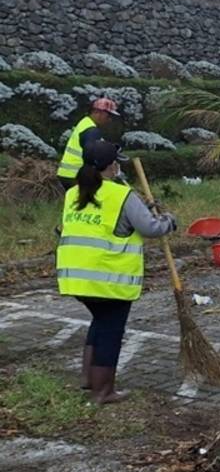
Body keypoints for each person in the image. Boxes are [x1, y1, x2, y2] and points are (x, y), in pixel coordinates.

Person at [56, 140, 175, 404]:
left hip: (75, 277)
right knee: (111, 330)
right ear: (111, 166)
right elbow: (150, 228)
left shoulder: (73, 193)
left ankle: (89, 379)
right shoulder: (121, 195)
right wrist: (169, 220)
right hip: (109, 279)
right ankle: (103, 391)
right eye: (116, 162)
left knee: (100, 322)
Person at [58, 97, 121, 189]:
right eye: (108, 116)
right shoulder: (91, 130)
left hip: (68, 173)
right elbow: (92, 154)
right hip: (76, 175)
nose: (109, 120)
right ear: (98, 113)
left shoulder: (85, 123)